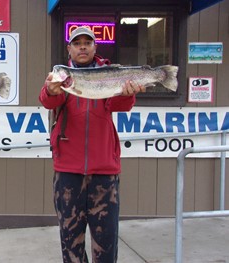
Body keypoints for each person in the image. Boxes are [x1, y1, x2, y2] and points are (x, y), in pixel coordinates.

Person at [38, 26, 146, 263]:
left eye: (88, 42)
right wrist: (50, 88)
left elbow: (121, 105)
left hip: (104, 173)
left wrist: (127, 93)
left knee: (106, 245)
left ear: (95, 47)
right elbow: (47, 100)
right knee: (70, 244)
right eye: (77, 43)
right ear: (70, 49)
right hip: (67, 172)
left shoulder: (108, 72)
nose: (83, 47)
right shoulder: (61, 76)